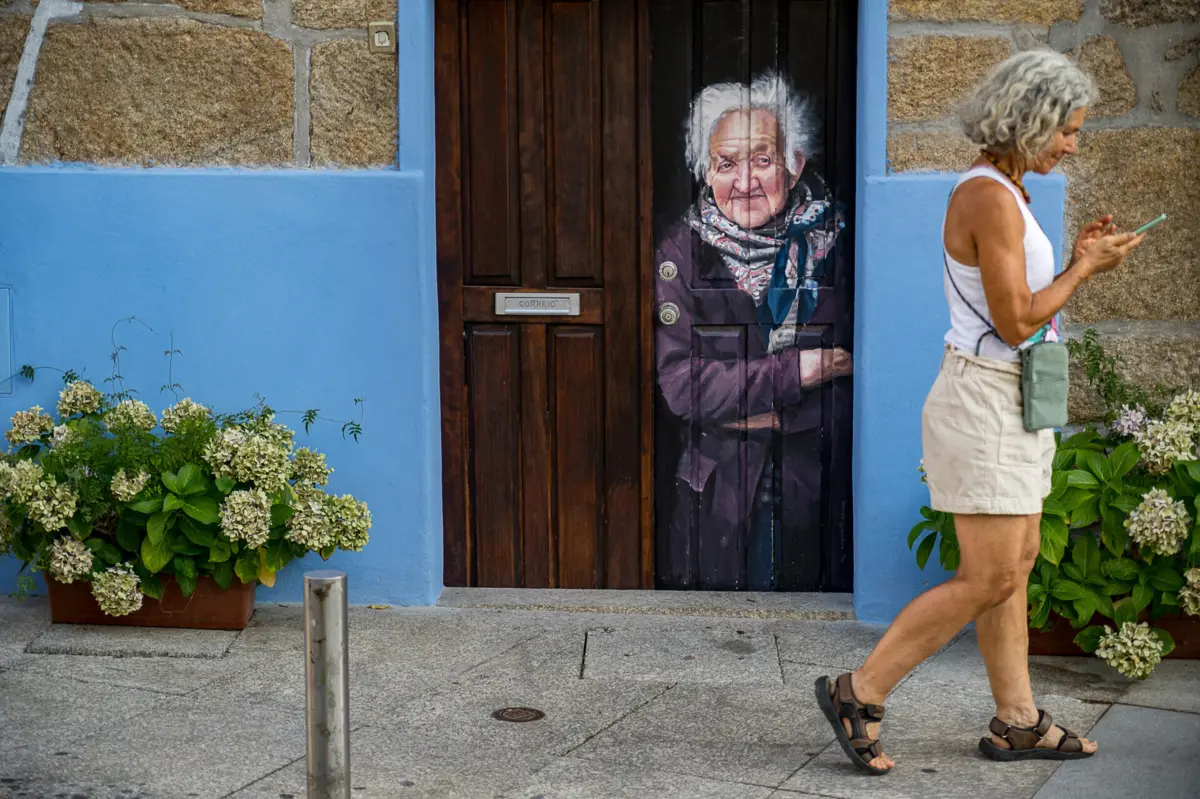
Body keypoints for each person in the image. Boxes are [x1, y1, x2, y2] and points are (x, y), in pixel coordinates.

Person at [815, 49, 1145, 774]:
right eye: (1068, 131)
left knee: (1015, 565)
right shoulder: (988, 196)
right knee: (989, 575)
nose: (1073, 146)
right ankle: (859, 690)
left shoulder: (1009, 193)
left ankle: (1017, 720)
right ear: (1031, 121)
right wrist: (1084, 270)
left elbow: (1019, 304)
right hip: (986, 401)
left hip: (1008, 396)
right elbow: (1017, 321)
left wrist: (1076, 259)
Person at [653, 71, 850, 590]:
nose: (744, 182)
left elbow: (862, 376)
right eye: (726, 164)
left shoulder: (838, 247)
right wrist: (801, 371)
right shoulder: (682, 253)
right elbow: (682, 386)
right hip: (717, 495)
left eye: (762, 160)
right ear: (705, 172)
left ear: (794, 164)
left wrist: (768, 415)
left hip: (815, 491)